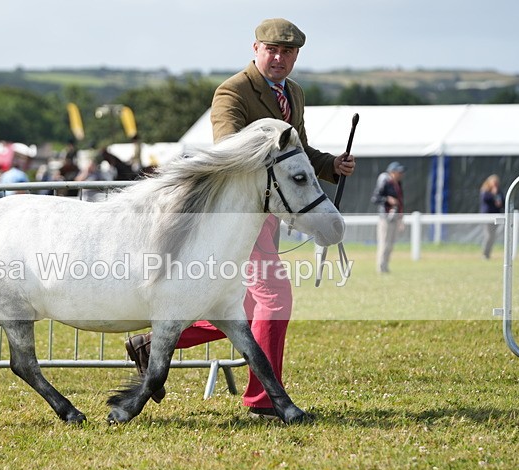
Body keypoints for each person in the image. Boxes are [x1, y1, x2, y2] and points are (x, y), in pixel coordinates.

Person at [124, 18, 356, 418]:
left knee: (244, 304)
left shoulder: (293, 93)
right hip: (239, 214)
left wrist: (330, 164)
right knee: (274, 299)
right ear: (256, 49)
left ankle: (153, 343)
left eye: (288, 52)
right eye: (272, 50)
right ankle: (264, 401)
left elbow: (293, 150)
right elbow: (228, 149)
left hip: (271, 211)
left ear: (297, 55)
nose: (279, 57)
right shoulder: (232, 91)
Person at [371, 162, 406, 273]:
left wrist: (401, 218)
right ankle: (381, 268)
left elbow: (400, 202)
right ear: (392, 172)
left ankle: (385, 266)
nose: (401, 174)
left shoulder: (398, 184)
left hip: (395, 217)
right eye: (399, 172)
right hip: (385, 217)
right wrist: (387, 199)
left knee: (390, 244)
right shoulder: (385, 182)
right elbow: (375, 198)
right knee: (384, 243)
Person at [479, 174, 503, 259]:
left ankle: (488, 253)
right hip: (487, 217)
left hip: (496, 216)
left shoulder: (499, 192)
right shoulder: (485, 191)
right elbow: (486, 199)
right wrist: (494, 194)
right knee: (488, 236)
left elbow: (502, 202)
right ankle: (485, 254)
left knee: (493, 236)